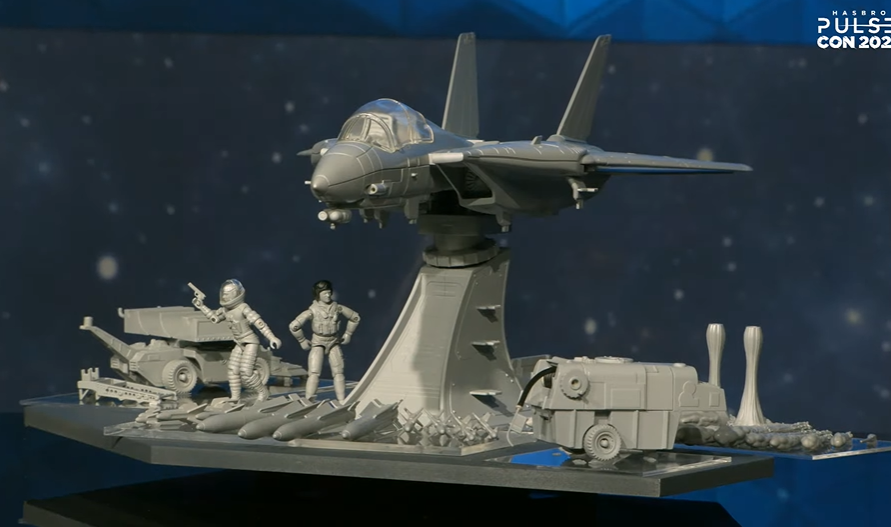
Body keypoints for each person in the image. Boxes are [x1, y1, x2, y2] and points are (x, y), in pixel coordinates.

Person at [191, 279, 281, 402]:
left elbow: (259, 323)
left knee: (246, 372)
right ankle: (235, 397)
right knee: (232, 370)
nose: (224, 297)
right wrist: (201, 306)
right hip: (239, 343)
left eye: (227, 294)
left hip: (250, 342)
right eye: (223, 294)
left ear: (235, 294)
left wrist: (271, 337)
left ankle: (263, 392)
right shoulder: (225, 310)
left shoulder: (243, 308)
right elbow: (215, 318)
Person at [288, 280, 360, 403]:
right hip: (318, 342)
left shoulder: (337, 308)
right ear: (318, 294)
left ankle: (342, 400)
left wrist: (348, 334)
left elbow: (355, 317)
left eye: (329, 293)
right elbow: (294, 326)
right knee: (314, 373)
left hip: (333, 341)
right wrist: (302, 340)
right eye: (324, 293)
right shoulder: (313, 311)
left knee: (338, 372)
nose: (328, 295)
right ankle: (308, 401)